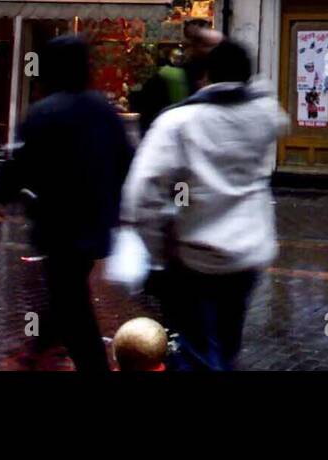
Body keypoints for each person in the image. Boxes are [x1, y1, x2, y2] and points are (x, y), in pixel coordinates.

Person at [121, 39, 287, 370]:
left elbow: (142, 191)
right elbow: (274, 108)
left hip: (195, 256)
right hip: (248, 253)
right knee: (226, 344)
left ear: (206, 75)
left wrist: (152, 253)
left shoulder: (179, 122)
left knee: (194, 349)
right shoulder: (263, 114)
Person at [0, 36, 133, 371]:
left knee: (72, 303)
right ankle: (41, 346)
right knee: (67, 292)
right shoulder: (104, 110)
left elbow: (20, 168)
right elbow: (127, 161)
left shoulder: (44, 112)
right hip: (96, 225)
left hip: (59, 226)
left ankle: (90, 365)